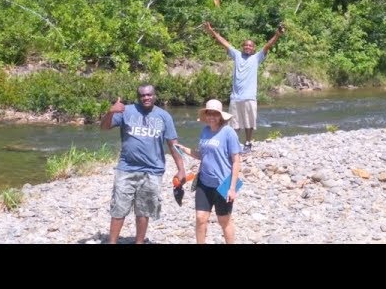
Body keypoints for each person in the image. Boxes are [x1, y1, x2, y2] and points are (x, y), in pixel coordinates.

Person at [100, 83, 186, 244]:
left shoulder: (164, 116)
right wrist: (110, 112)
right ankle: (112, 241)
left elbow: (173, 144)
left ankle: (139, 241)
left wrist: (181, 169)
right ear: (138, 97)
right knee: (119, 208)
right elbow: (104, 127)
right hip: (126, 169)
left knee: (144, 210)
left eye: (149, 94)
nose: (146, 97)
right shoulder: (126, 111)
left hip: (152, 171)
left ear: (155, 96)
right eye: (142, 95)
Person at [204, 22, 285, 153]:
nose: (248, 47)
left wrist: (277, 34)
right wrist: (211, 31)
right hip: (235, 97)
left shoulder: (257, 58)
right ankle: (234, 144)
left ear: (254, 48)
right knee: (234, 124)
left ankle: (248, 142)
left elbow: (268, 45)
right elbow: (223, 42)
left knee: (249, 123)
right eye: (246, 45)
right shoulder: (236, 55)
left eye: (250, 45)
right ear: (242, 47)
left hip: (249, 97)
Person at [175, 99, 242, 244]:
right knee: (200, 218)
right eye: (209, 113)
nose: (212, 116)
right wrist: (184, 149)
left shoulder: (228, 132)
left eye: (215, 114)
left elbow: (236, 161)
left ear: (220, 116)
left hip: (223, 183)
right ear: (205, 115)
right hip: (204, 182)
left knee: (224, 220)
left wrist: (232, 188)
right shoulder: (205, 131)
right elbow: (202, 155)